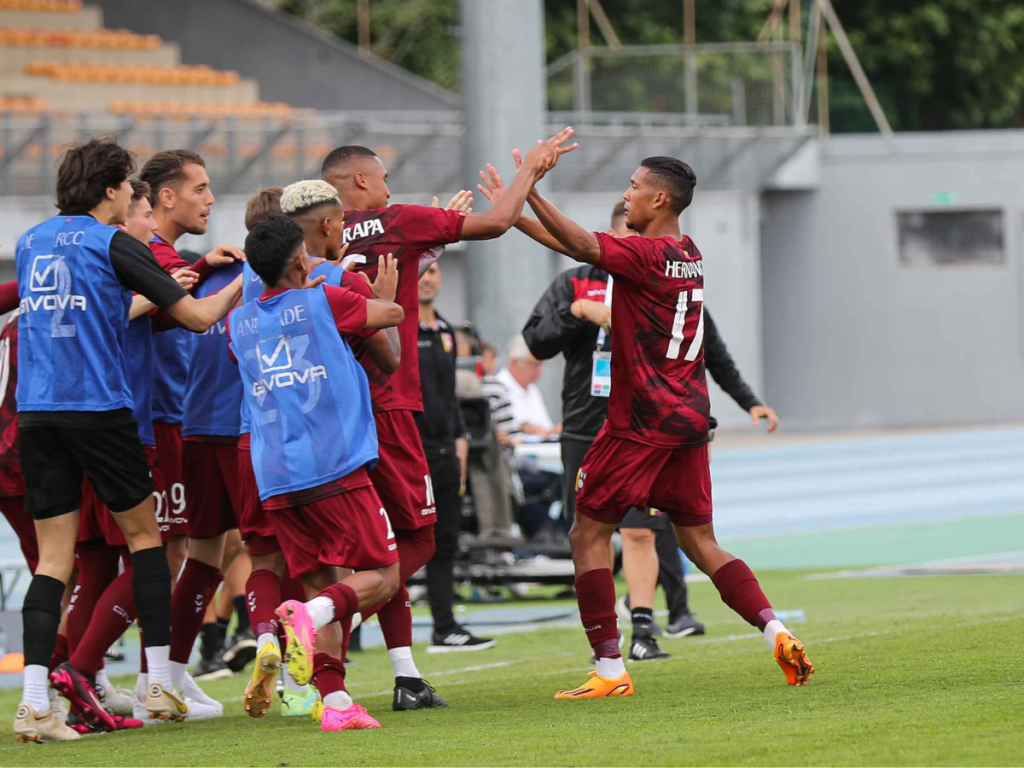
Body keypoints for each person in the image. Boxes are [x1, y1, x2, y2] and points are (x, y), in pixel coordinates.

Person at [517, 154, 813, 697]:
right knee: (700, 540)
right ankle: (777, 630)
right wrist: (519, 211)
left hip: (639, 420)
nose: (625, 196)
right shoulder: (687, 253)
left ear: (659, 199)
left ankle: (609, 668)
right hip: (689, 418)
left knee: (587, 534)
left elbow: (582, 246)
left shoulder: (646, 254)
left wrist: (526, 194)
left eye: (632, 187)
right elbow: (579, 246)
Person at [12, 137, 243, 743]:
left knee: (55, 562)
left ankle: (35, 703)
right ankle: (161, 683)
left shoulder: (29, 242)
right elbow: (196, 317)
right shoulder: (113, 242)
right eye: (126, 187)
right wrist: (245, 281)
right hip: (100, 411)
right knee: (148, 542)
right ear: (113, 189)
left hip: (37, 414)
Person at [318, 127, 575, 657]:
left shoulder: (319, 239)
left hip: (330, 408)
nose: (389, 191)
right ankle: (319, 620)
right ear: (361, 179)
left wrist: (425, 248)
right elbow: (498, 221)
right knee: (417, 539)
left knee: (358, 545)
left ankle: (394, 670)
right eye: (384, 180)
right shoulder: (398, 219)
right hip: (389, 402)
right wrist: (529, 169)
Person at [227, 214, 404, 731]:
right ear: (302, 259)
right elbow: (388, 313)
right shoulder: (324, 299)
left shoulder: (239, 323)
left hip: (276, 474)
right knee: (383, 578)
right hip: (335, 466)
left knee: (321, 582)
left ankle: (337, 705)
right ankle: (309, 618)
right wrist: (384, 290)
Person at [139, 149, 247, 707]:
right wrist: (208, 273)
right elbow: (172, 309)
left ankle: (163, 674)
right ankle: (139, 677)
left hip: (176, 419)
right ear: (165, 197)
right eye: (200, 188)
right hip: (157, 421)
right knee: (158, 551)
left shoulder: (181, 260)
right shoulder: (151, 256)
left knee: (201, 547)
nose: (210, 199)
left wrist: (202, 267)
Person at [416, 262, 495, 652]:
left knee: (445, 543)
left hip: (447, 453)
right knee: (397, 545)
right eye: (419, 271)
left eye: (432, 270)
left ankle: (444, 628)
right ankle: (355, 631)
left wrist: (460, 446)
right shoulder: (395, 330)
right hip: (410, 455)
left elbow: (451, 401)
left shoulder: (447, 332)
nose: (427, 278)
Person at [495, 335, 560, 439]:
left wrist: (554, 431)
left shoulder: (532, 389)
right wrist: (524, 428)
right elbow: (502, 435)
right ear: (514, 362)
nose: (540, 370)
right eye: (535, 364)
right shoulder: (496, 389)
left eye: (542, 365)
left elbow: (544, 429)